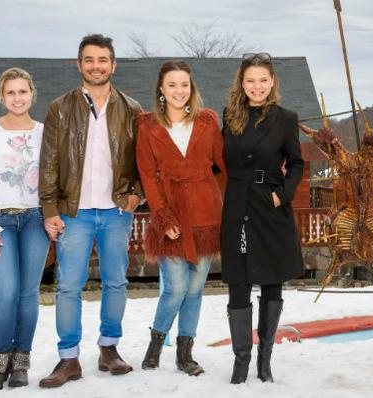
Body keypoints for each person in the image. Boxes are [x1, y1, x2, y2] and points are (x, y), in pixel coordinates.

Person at [38, 34, 143, 388]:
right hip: (74, 212)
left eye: (103, 59)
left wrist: (137, 194)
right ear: (78, 64)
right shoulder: (60, 108)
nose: (96, 66)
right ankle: (68, 359)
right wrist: (50, 208)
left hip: (116, 212)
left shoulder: (132, 108)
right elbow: (49, 162)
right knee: (68, 286)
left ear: (113, 64)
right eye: (89, 59)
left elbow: (144, 160)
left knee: (117, 282)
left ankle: (109, 349)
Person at [220, 52, 305, 384]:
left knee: (272, 281)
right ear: (241, 83)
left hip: (270, 207)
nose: (257, 86)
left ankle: (264, 361)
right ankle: (241, 362)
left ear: (273, 82)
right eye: (250, 80)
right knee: (238, 282)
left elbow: (297, 163)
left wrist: (282, 193)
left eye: (263, 80)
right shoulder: (230, 116)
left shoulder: (285, 118)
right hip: (238, 205)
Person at [136, 60, 225, 376]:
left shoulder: (207, 121)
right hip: (170, 212)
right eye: (172, 84)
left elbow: (224, 164)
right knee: (175, 287)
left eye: (184, 84)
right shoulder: (147, 126)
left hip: (205, 214)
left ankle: (185, 354)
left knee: (195, 289)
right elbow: (147, 176)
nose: (179, 91)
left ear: (192, 88)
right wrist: (162, 216)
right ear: (161, 89)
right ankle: (156, 344)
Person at [0, 67, 49, 389]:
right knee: (5, 293)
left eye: (23, 91)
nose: (17, 98)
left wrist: (53, 216)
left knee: (29, 293)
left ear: (32, 93)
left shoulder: (45, 131)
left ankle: (21, 363)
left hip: (35, 219)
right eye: (11, 92)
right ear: (2, 96)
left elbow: (53, 178)